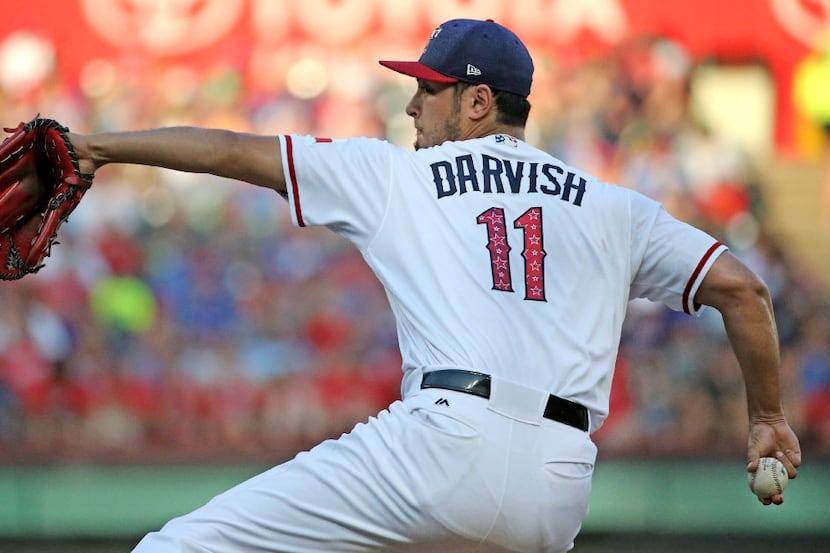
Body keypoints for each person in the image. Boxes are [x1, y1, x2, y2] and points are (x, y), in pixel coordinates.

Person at [65, 18, 800, 553]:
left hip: (440, 446)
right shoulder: (614, 204)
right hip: (558, 483)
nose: (414, 105)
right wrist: (767, 414)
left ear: (477, 103)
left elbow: (229, 151)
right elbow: (743, 290)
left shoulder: (397, 174)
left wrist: (98, 146)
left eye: (429, 89)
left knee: (182, 547)